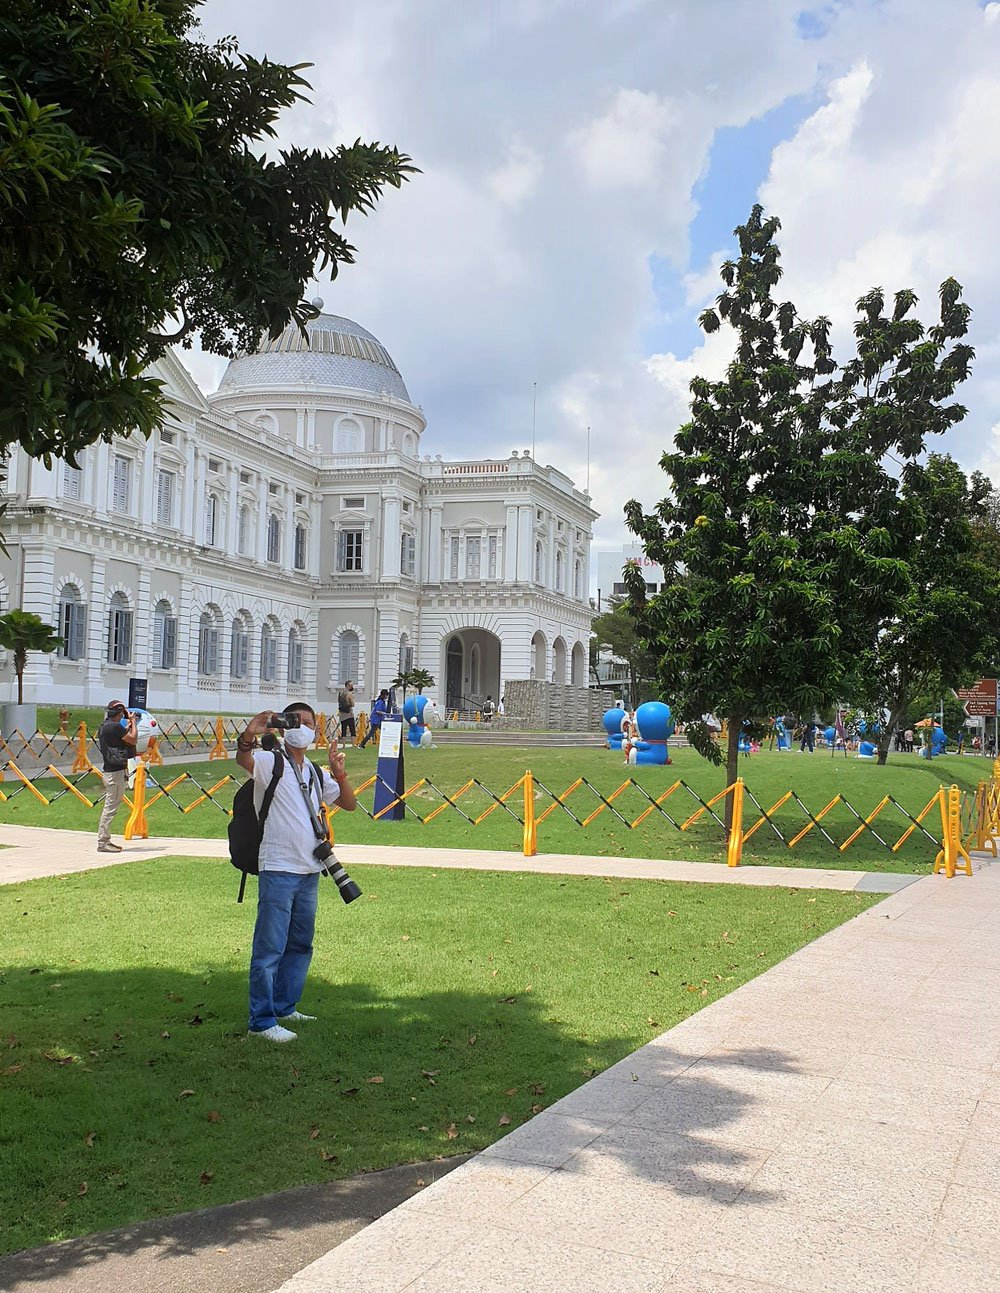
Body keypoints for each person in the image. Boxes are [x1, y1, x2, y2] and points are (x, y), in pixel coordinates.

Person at [236, 703, 358, 1043]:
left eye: (308, 722)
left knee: (301, 943)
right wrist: (251, 732)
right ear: (284, 726)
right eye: (295, 721)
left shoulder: (315, 773)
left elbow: (349, 803)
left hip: (309, 869)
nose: (302, 727)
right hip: (278, 866)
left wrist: (339, 772)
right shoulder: (271, 762)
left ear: (315, 731)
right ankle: (261, 1020)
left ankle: (285, 1005)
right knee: (270, 946)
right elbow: (243, 761)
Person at [96, 700, 137, 852]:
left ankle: (104, 841)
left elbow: (120, 737)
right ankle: (103, 842)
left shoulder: (106, 726)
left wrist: (128, 726)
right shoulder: (114, 726)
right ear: (119, 714)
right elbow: (132, 739)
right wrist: (133, 722)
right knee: (110, 807)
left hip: (111, 771)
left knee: (111, 806)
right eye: (122, 715)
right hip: (114, 773)